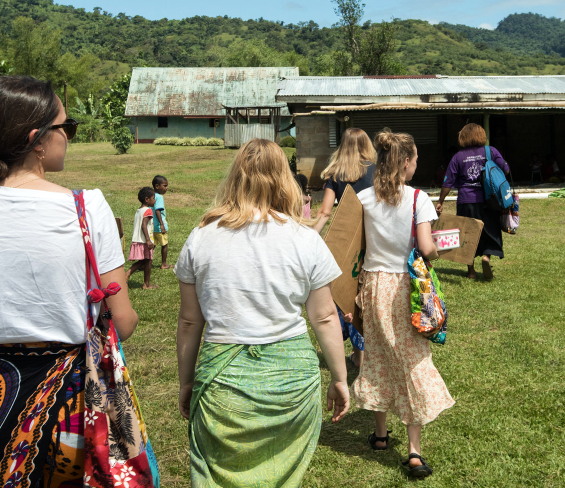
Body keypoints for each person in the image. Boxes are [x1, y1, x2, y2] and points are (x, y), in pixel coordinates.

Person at [0, 75, 140, 487]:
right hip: (73, 398)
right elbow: (124, 322)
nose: (69, 138)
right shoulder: (86, 207)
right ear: (37, 140)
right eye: (67, 128)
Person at [175, 138, 350, 488]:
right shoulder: (305, 238)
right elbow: (326, 317)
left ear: (235, 178)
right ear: (284, 179)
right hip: (292, 385)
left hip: (222, 385)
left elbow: (191, 320)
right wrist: (340, 378)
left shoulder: (202, 236)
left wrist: (186, 381)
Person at [352, 129, 454, 479]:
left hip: (372, 285)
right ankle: (413, 451)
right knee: (412, 361)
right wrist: (441, 249)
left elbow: (355, 246)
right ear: (406, 163)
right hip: (405, 288)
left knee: (377, 356)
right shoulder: (418, 199)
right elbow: (426, 249)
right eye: (415, 160)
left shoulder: (363, 198)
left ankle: (380, 436)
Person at [312, 127, 377, 368]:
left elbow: (325, 212)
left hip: (344, 242)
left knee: (343, 293)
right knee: (363, 293)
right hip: (371, 238)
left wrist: (309, 237)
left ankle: (341, 350)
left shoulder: (336, 173)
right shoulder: (375, 170)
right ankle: (361, 355)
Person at [434, 123, 511, 280]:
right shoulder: (491, 151)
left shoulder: (458, 157)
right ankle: (487, 257)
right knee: (490, 228)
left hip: (466, 200)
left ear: (463, 138)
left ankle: (471, 271)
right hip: (489, 199)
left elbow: (448, 182)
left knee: (467, 234)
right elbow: (506, 169)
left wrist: (441, 201)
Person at [127, 187, 158, 288]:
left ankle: (127, 274)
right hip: (145, 241)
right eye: (153, 198)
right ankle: (146, 284)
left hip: (138, 239)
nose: (155, 200)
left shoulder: (139, 210)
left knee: (143, 261)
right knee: (148, 261)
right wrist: (148, 240)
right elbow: (144, 225)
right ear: (147, 199)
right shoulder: (148, 210)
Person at [151, 174, 171, 269]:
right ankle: (164, 264)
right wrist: (162, 224)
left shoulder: (151, 196)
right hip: (159, 226)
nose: (166, 188)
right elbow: (157, 210)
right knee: (164, 244)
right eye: (165, 186)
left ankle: (145, 263)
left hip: (152, 226)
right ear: (157, 186)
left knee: (152, 245)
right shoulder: (159, 197)